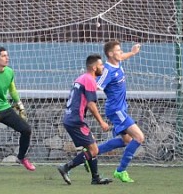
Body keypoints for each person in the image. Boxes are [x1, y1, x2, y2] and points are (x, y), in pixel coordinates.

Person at [56, 54, 113, 185]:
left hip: (70, 118)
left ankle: (95, 178)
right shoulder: (89, 80)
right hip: (76, 119)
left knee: (91, 146)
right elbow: (91, 104)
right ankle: (66, 168)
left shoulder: (81, 78)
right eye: (101, 65)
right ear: (94, 68)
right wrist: (101, 122)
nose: (103, 67)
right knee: (94, 150)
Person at [94, 40, 145, 183]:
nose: (121, 52)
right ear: (110, 54)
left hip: (121, 109)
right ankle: (121, 171)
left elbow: (122, 57)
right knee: (139, 137)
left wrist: (133, 52)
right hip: (116, 110)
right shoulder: (107, 71)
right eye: (118, 50)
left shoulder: (117, 62)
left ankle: (92, 152)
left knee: (126, 140)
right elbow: (96, 86)